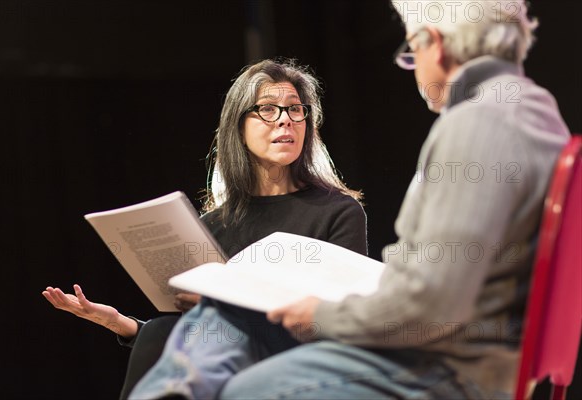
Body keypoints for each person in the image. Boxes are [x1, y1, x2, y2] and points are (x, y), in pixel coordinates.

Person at [217, 2, 571, 399]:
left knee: (248, 388)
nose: (413, 65)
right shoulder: (539, 110)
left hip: (449, 370)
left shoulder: (477, 124)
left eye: (411, 51)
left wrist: (321, 315)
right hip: (480, 361)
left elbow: (429, 305)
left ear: (433, 43)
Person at [42, 58, 368, 399]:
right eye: (268, 109)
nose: (285, 119)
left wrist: (226, 302)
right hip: (216, 354)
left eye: (295, 109)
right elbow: (192, 334)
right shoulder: (213, 224)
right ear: (238, 128)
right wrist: (121, 324)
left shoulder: (337, 211)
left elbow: (334, 321)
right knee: (161, 331)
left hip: (294, 353)